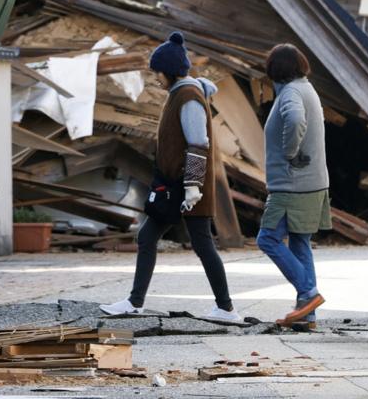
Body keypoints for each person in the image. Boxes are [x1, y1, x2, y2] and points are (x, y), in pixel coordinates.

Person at [100, 32, 241, 322]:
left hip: (187, 188)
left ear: (170, 71)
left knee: (201, 244)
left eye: (157, 73)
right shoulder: (181, 94)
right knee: (149, 236)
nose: (155, 78)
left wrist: (192, 186)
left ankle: (226, 308)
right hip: (174, 186)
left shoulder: (188, 97)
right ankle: (136, 301)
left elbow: (198, 143)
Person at [256, 43, 331, 329]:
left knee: (267, 238)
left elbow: (295, 119)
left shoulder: (290, 93)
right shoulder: (307, 88)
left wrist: (289, 152)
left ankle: (309, 294)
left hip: (292, 184)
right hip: (313, 183)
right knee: (300, 243)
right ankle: (307, 315)